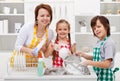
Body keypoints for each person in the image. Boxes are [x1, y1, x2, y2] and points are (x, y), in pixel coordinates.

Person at [76, 15, 117, 81]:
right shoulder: (99, 42)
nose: (96, 30)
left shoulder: (108, 43)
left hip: (106, 76)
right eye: (94, 28)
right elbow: (98, 58)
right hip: (99, 75)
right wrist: (84, 55)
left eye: (98, 26)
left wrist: (89, 62)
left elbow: (107, 64)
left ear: (106, 26)